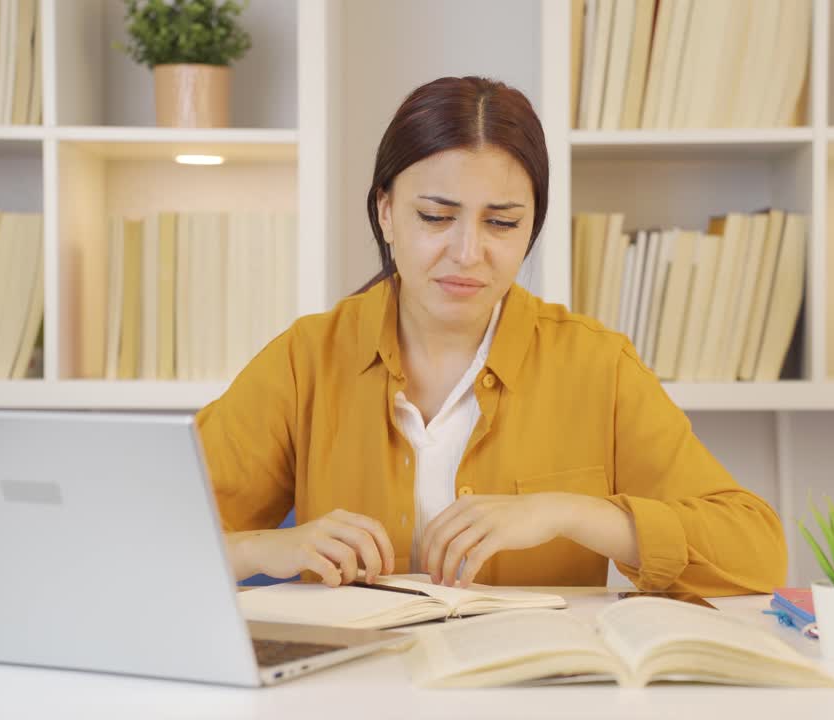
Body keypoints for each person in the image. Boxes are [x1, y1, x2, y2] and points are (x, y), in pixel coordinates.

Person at [197, 76, 786, 595]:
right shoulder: (307, 358)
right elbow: (156, 532)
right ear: (386, 212)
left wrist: (570, 513)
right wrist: (262, 550)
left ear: (531, 228)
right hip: (354, 680)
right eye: (435, 217)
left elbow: (755, 552)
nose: (467, 252)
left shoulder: (596, 364)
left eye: (502, 222)